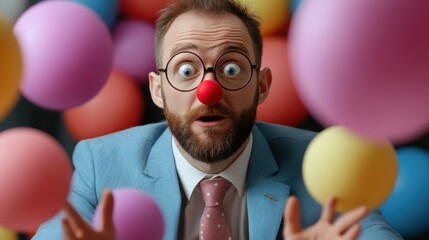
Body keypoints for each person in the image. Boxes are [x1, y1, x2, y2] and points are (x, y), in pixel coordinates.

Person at [33, 0, 403, 239]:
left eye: (231, 68)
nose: (208, 90)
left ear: (261, 86)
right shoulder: (101, 165)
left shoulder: (320, 165)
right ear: (158, 89)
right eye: (186, 69)